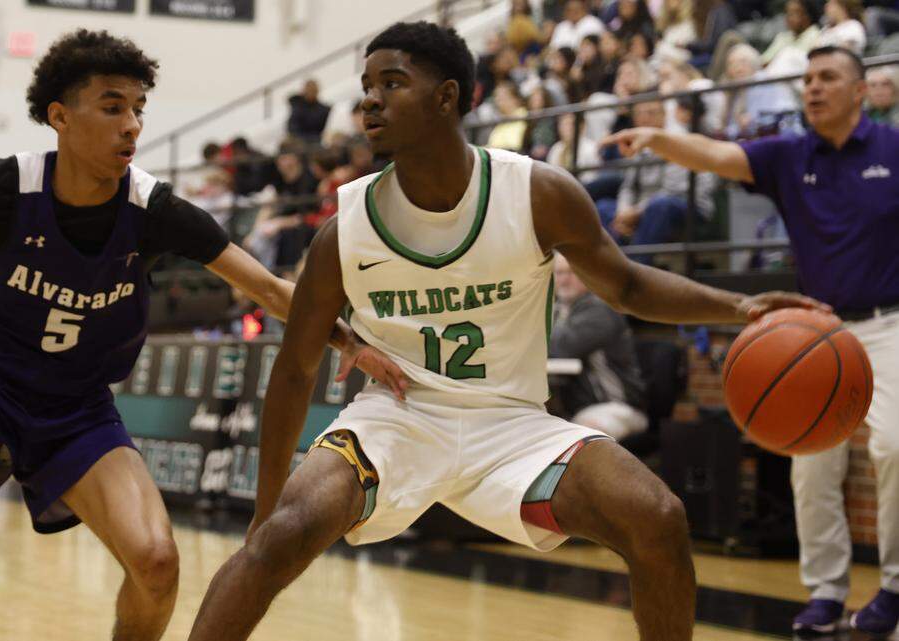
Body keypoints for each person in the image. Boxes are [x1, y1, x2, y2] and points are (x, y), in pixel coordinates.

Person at [186, 21, 823, 641]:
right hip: (396, 421)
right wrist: (263, 511)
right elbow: (295, 369)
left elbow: (627, 286)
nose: (369, 99)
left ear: (447, 97)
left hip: (513, 425)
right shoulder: (344, 228)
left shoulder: (535, 192)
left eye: (392, 83)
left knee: (657, 518)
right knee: (283, 534)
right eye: (366, 85)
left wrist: (739, 308)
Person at [0, 30, 404, 641]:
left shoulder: (155, 210)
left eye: (139, 109)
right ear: (60, 118)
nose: (133, 125)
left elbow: (273, 290)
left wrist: (350, 342)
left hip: (77, 407)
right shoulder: (1, 185)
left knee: (157, 562)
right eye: (113, 106)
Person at [604, 46, 899, 636]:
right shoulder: (790, 155)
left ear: (861, 90)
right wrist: (660, 141)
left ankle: (894, 587)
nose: (812, 87)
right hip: (816, 327)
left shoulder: (894, 149)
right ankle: (825, 593)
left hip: (890, 322)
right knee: (810, 463)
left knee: (894, 446)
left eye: (828, 77)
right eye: (808, 78)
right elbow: (716, 155)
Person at [597, 95, 716, 250]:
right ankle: (615, 266)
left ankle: (637, 267)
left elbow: (672, 191)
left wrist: (636, 212)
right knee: (603, 207)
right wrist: (623, 210)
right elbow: (628, 187)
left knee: (659, 206)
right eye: (640, 113)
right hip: (645, 206)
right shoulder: (637, 142)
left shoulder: (676, 139)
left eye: (651, 113)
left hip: (686, 204)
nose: (645, 118)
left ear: (664, 115)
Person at [550, 254, 647, 441]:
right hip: (577, 409)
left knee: (579, 437)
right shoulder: (557, 309)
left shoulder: (601, 308)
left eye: (571, 272)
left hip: (616, 406)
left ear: (589, 275)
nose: (564, 279)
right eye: (559, 273)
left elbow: (560, 347)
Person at [285, 79, 331, 144]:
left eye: (313, 90)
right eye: (309, 90)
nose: (311, 93)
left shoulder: (324, 110)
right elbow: (292, 128)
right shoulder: (297, 107)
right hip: (299, 140)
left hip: (317, 141)